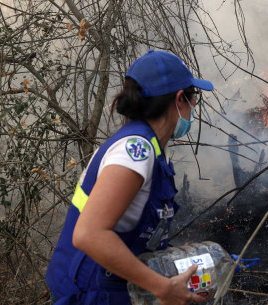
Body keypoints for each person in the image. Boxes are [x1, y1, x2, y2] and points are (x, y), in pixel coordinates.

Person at [46, 50, 213, 305]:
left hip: (114, 289)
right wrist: (162, 287)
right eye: (194, 98)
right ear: (180, 99)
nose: (193, 107)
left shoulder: (154, 149)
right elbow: (88, 234)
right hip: (90, 294)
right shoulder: (134, 152)